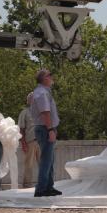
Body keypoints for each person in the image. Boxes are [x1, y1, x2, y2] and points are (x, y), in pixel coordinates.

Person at [32, 69, 62, 197]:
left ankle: (48, 187)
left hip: (46, 128)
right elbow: (45, 112)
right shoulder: (42, 93)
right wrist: (50, 130)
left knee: (49, 160)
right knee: (46, 160)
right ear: (44, 78)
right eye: (50, 75)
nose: (52, 77)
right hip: (45, 129)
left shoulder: (43, 92)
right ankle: (41, 189)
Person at [16, 92, 40, 189]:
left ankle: (45, 184)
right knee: (28, 165)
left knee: (44, 164)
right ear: (29, 101)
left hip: (42, 142)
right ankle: (26, 186)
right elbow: (21, 129)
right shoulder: (24, 112)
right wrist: (23, 143)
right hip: (30, 141)